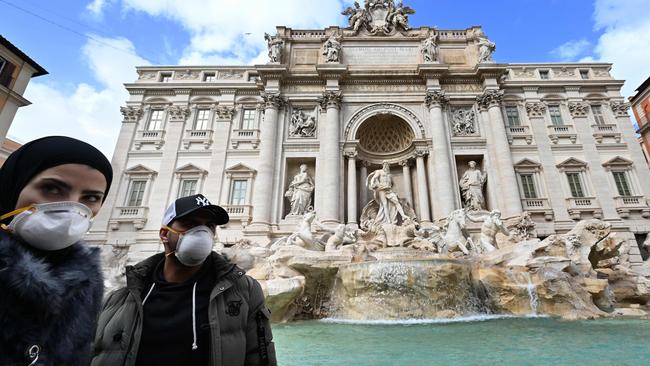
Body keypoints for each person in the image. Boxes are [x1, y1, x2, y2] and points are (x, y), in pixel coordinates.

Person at [91, 194, 277, 366]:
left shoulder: (244, 291)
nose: (202, 233)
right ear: (164, 234)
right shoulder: (118, 298)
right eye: (190, 224)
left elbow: (261, 357)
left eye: (209, 226)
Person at [0, 136, 112, 365]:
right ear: (13, 184)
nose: (71, 207)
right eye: (52, 188)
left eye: (90, 198)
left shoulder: (87, 284)